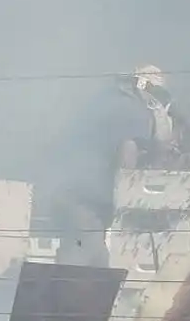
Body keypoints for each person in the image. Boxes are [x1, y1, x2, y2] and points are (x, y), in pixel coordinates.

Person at [48, 64, 179, 267]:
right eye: (157, 94)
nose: (159, 102)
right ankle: (58, 295)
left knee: (91, 257)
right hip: (83, 199)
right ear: (143, 87)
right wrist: (128, 193)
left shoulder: (110, 101)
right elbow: (128, 150)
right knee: (86, 260)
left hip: (72, 193)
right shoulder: (135, 111)